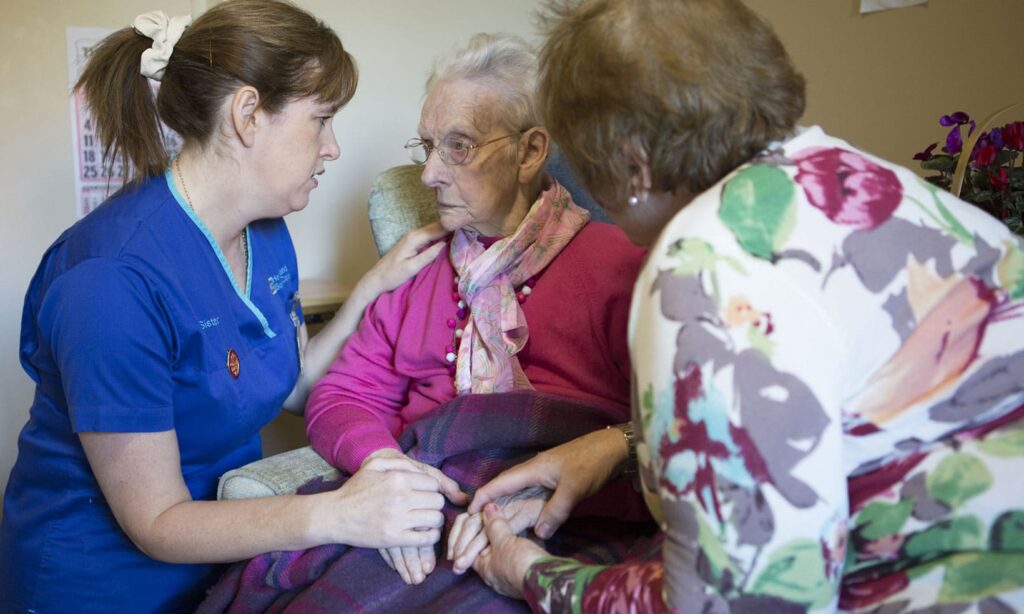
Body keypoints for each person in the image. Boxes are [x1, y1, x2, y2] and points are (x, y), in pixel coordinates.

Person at [461, 0, 1024, 611]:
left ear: (631, 166)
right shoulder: (879, 187)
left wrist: (536, 576)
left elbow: (742, 604)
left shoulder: (704, 267)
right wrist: (621, 445)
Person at [0, 2, 460, 611]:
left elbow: (289, 384)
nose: (334, 148)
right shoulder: (111, 284)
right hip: (98, 584)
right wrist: (338, 513)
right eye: (321, 120)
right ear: (248, 114)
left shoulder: (264, 232)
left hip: (219, 568)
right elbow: (158, 521)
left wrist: (373, 285)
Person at [304, 33, 646, 587]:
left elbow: (673, 434)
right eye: (427, 146)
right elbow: (340, 396)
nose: (429, 174)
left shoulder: (622, 267)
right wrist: (387, 472)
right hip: (423, 510)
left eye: (458, 146)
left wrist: (559, 494)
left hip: (566, 519)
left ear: (530, 152)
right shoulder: (413, 270)